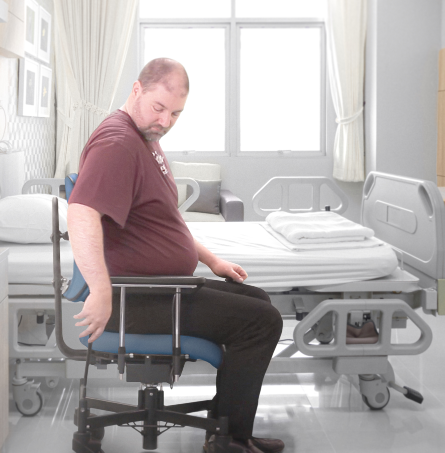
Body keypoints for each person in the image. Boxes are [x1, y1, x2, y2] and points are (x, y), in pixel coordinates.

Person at [67, 58, 284, 453]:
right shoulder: (117, 143)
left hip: (163, 288)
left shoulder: (145, 137)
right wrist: (99, 289)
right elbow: (81, 213)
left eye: (176, 113)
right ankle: (230, 440)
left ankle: (226, 426)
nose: (165, 121)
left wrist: (211, 260)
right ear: (137, 90)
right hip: (138, 297)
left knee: (258, 301)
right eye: (159, 108)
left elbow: (161, 222)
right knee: (262, 322)